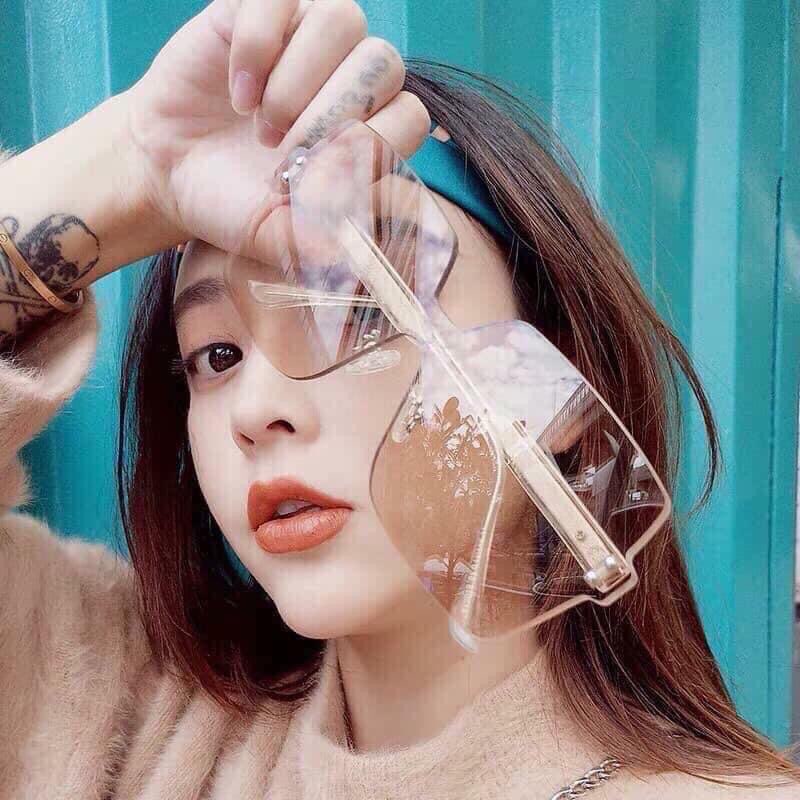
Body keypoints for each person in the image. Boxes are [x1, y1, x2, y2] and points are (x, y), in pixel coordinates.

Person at [0, 1, 797, 798]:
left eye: (361, 311)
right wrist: (132, 162)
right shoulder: (117, 703)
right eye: (217, 356)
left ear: (560, 393)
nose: (255, 409)